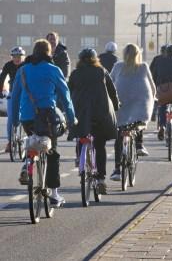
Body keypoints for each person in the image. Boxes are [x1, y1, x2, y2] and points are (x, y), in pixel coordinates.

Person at [11, 39, 76, 206]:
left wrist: (14, 120)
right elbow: (65, 96)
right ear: (49, 53)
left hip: (27, 117)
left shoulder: (22, 70)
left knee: (33, 140)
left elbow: (15, 98)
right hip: (47, 117)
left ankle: (28, 163)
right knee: (52, 152)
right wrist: (71, 118)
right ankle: (54, 194)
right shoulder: (54, 70)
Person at [68, 48, 119, 194]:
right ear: (95, 59)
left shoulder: (75, 74)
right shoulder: (102, 71)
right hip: (100, 113)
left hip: (81, 113)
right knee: (99, 144)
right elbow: (112, 91)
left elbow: (68, 92)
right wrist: (115, 106)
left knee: (81, 134)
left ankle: (80, 159)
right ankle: (101, 179)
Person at [110, 43, 155, 181]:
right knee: (139, 119)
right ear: (138, 54)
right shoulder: (143, 67)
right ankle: (139, 144)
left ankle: (117, 169)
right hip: (140, 102)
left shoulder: (118, 66)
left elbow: (110, 83)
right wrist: (153, 98)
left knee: (119, 134)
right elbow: (152, 86)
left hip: (121, 103)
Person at [0, 46, 26, 152]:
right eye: (15, 56)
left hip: (25, 94)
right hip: (13, 93)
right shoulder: (8, 65)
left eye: (19, 56)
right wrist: (0, 91)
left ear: (23, 57)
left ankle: (27, 139)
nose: (17, 58)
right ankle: (10, 142)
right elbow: (1, 79)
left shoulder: (26, 65)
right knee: (10, 118)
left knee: (27, 116)